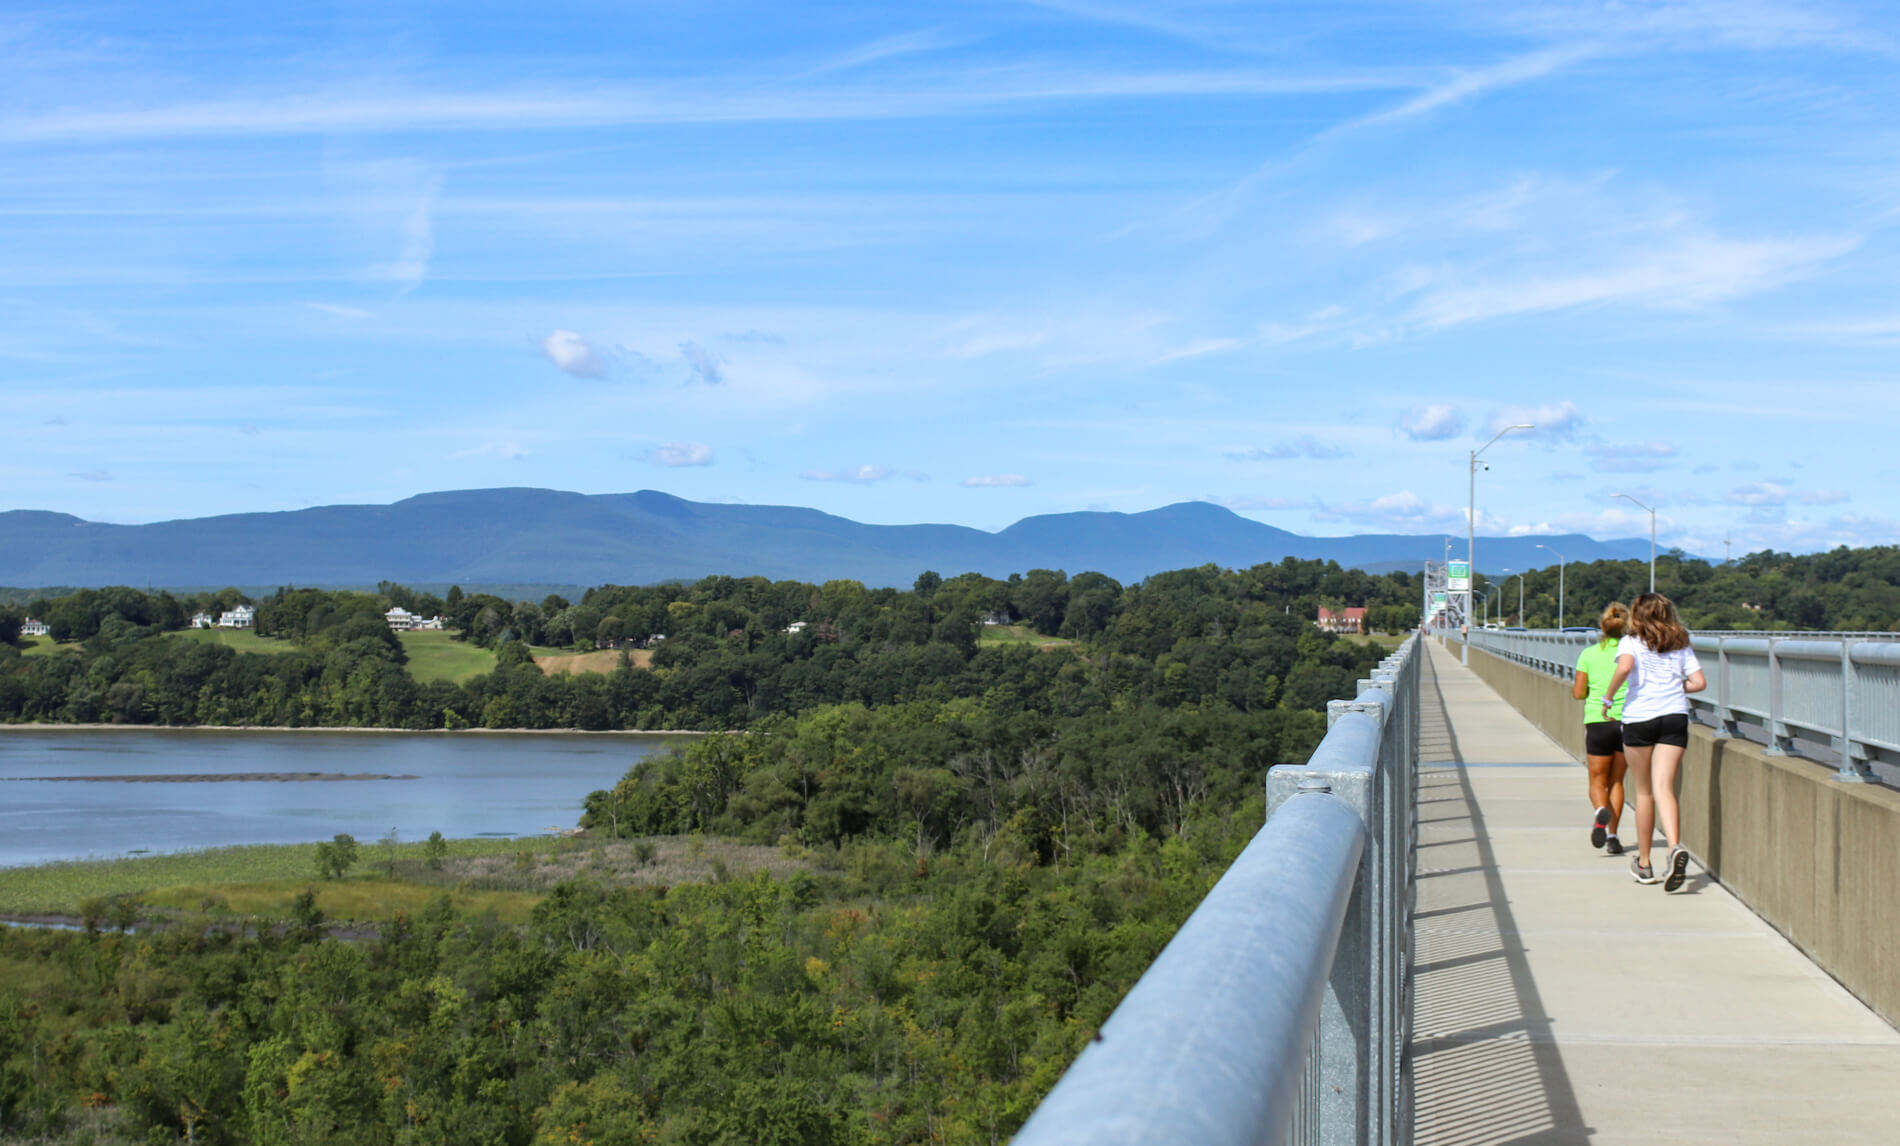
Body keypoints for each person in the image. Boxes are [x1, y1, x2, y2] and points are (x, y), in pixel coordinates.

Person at [1600, 592, 1707, 891]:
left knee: (1645, 792)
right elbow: (1699, 683)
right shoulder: (1680, 642)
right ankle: (1674, 847)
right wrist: (1673, 685)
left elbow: (1623, 668)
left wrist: (1608, 699)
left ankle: (1645, 864)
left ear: (1637, 614)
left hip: (1640, 718)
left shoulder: (1630, 642)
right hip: (1674, 716)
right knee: (1665, 788)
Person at [1572, 603, 1630, 856]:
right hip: (1627, 721)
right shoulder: (1633, 655)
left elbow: (1577, 693)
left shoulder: (1589, 654)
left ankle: (1599, 812)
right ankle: (1613, 837)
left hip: (1597, 721)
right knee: (1617, 781)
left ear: (1602, 627)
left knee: (1597, 779)